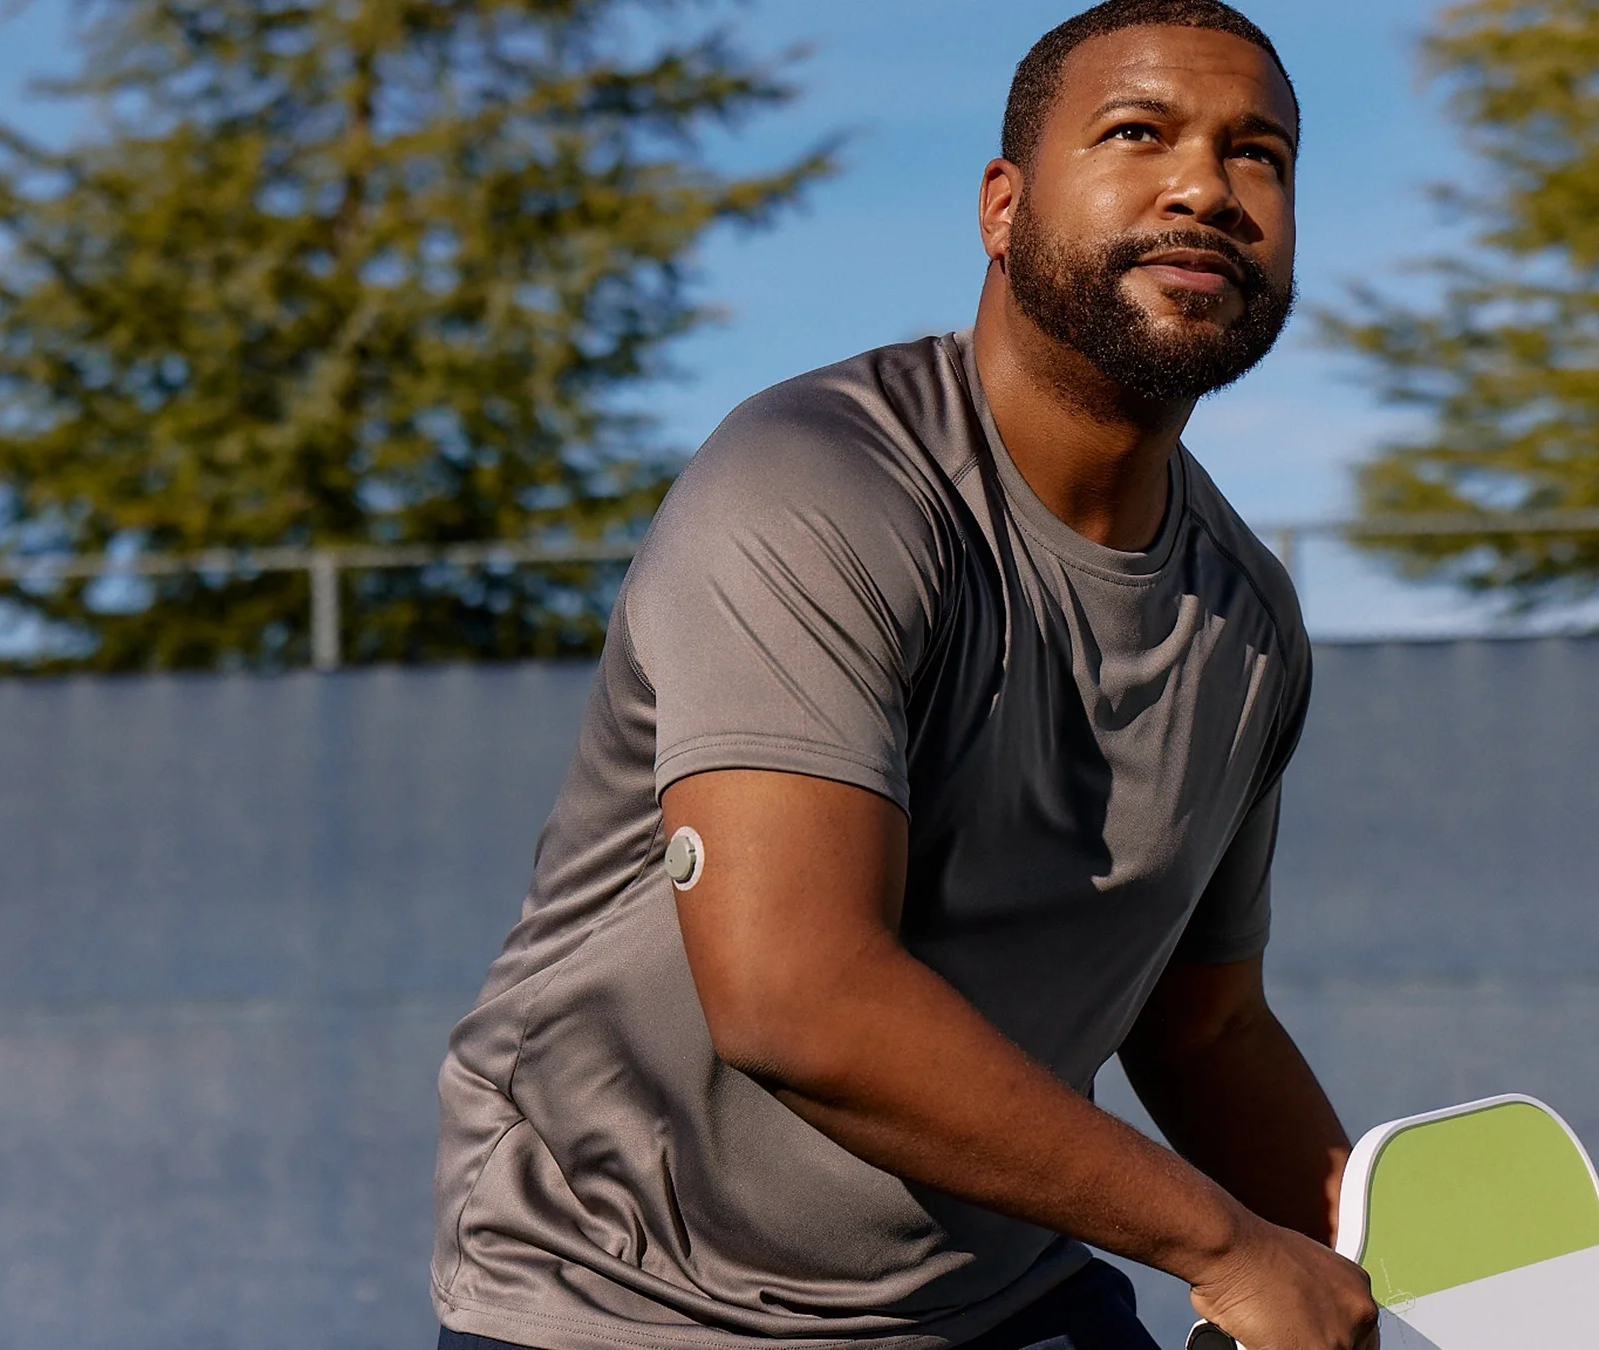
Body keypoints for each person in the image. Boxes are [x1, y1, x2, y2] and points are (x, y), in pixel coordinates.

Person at [433, 2, 1379, 1347]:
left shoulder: (1250, 621)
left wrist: (1379, 1274)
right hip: (627, 1302)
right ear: (1003, 209)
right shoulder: (813, 487)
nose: (1205, 187)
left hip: (996, 1296)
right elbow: (794, 996)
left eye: (1259, 155)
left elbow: (1205, 1032)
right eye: (1137, 133)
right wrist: (1227, 1248)